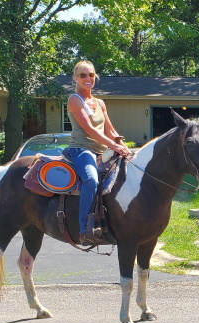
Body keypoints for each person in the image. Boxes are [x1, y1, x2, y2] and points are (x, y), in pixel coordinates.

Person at [64, 60, 131, 245]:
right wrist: (114, 146)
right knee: (91, 179)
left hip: (102, 152)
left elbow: (109, 129)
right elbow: (90, 131)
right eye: (83, 75)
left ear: (95, 77)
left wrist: (122, 145)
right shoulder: (74, 100)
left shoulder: (100, 103)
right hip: (82, 149)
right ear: (75, 78)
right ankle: (85, 228)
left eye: (91, 75)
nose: (88, 78)